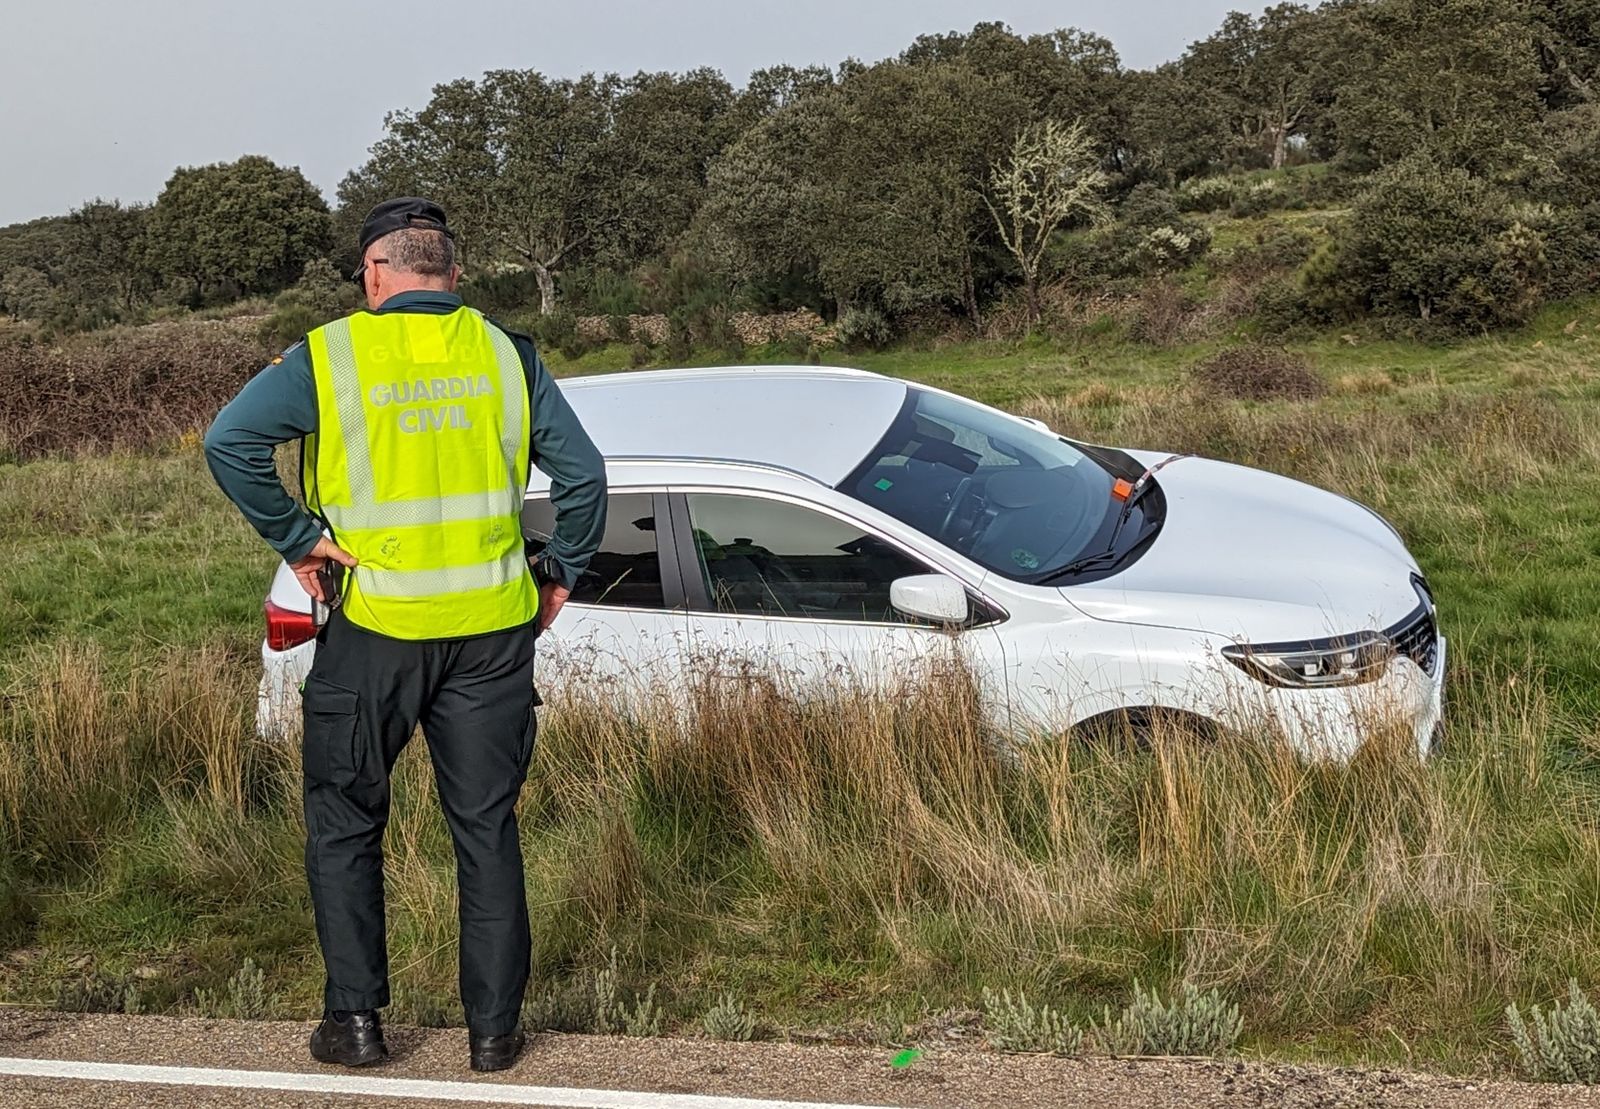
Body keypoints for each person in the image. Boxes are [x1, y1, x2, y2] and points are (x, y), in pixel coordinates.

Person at [203, 198, 606, 1073]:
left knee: (346, 821)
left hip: (375, 628)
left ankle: (355, 1024)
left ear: (375, 273)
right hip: (493, 635)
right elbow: (584, 475)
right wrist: (560, 572)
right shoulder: (507, 354)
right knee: (486, 829)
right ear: (453, 275)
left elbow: (229, 442)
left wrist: (300, 538)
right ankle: (494, 1035)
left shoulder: (331, 353)